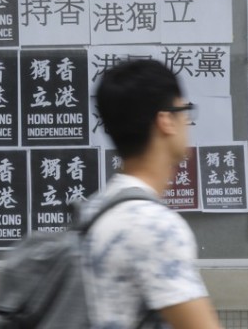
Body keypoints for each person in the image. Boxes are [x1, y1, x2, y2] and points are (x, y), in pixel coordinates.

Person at [81, 60, 223, 329]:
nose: (188, 122)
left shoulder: (94, 209)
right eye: (185, 111)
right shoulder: (154, 227)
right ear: (166, 120)